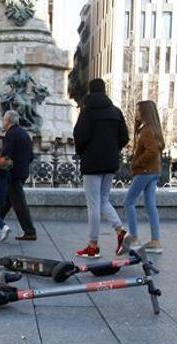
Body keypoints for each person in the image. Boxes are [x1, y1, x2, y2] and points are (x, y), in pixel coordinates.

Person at [73, 78, 129, 258]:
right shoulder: (115, 111)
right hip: (110, 162)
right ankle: (120, 230)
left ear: (90, 91)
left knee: (94, 204)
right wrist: (114, 149)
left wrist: (83, 152)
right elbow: (124, 137)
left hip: (91, 163)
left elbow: (79, 136)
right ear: (104, 91)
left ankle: (93, 245)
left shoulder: (87, 111)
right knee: (104, 200)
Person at [120, 100, 164, 255]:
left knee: (128, 202)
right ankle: (156, 241)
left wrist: (137, 162)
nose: (136, 113)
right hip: (154, 171)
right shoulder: (154, 128)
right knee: (151, 205)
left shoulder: (146, 131)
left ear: (145, 112)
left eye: (138, 110)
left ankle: (134, 237)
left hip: (145, 171)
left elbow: (151, 151)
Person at [0, 110, 38, 240]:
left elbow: (6, 155)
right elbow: (31, 156)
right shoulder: (25, 134)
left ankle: (30, 231)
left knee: (19, 203)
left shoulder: (11, 134)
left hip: (13, 174)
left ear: (8, 121)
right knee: (8, 200)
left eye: (4, 120)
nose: (3, 122)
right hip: (22, 172)